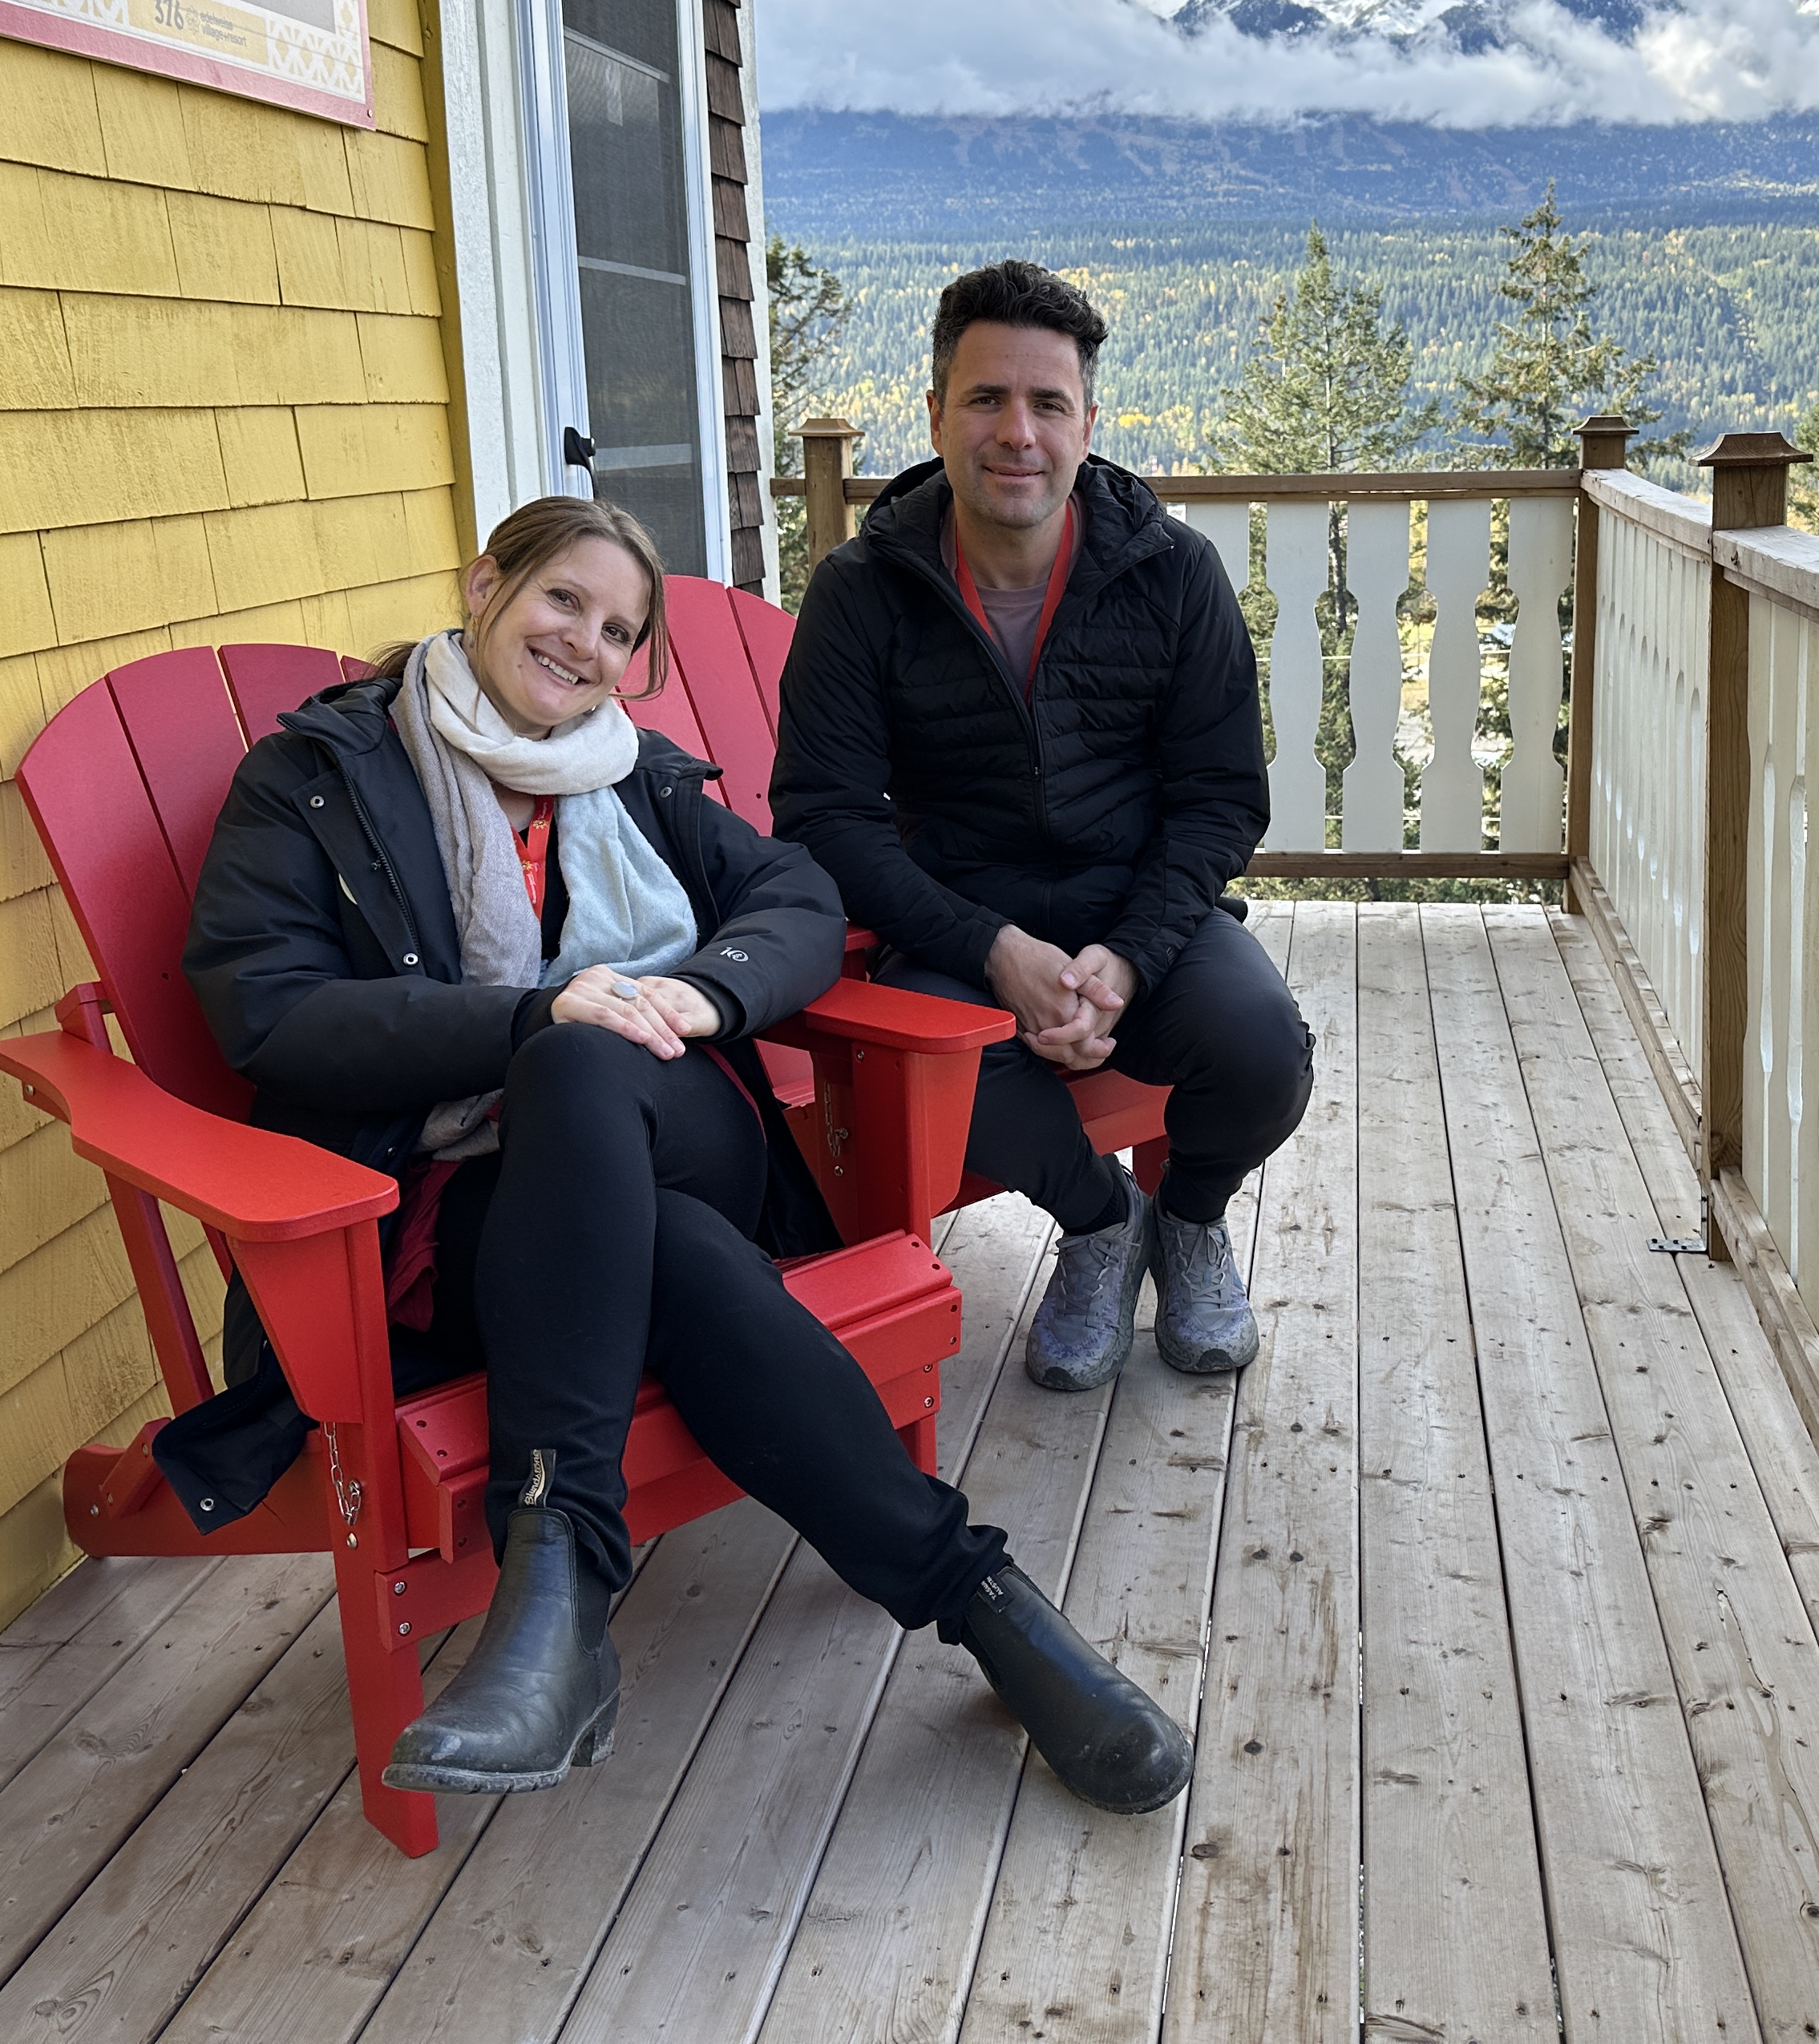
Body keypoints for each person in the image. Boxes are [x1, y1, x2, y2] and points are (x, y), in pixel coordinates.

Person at [176, 495, 1190, 1811]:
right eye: (561, 602)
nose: (584, 644)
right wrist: (533, 1012)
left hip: (680, 1126)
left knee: (589, 1061)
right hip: (450, 1203)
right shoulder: (317, 780)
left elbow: (799, 900)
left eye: (617, 630)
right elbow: (270, 1008)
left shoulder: (635, 775)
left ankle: (556, 1607)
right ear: (486, 585)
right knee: (677, 1251)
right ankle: (985, 1600)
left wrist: (706, 994)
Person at [773, 260, 1314, 1392]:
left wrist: (1127, 956)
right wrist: (992, 951)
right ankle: (1101, 1220)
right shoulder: (862, 591)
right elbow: (824, 814)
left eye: (1046, 403)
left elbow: (1219, 799)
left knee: (1265, 1050)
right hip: (963, 921)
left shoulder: (1174, 573)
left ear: (1087, 424)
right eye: (986, 399)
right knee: (922, 1064)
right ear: (935, 414)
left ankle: (1192, 1217)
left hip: (1142, 910)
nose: (1016, 432)